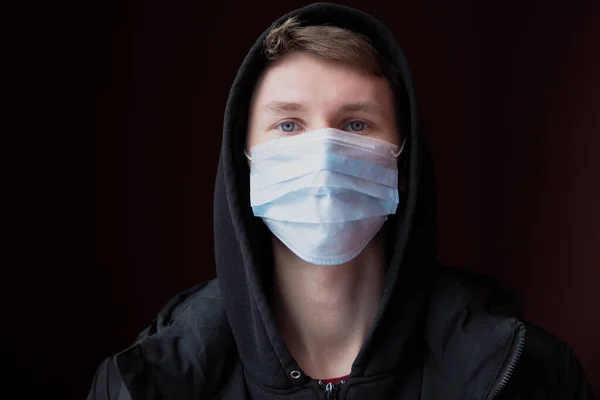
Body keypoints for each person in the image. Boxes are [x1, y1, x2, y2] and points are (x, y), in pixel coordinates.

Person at [87, 3, 594, 399]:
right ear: (243, 160)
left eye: (356, 124)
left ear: (401, 156)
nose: (324, 154)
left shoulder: (525, 374)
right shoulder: (148, 383)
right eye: (289, 124)